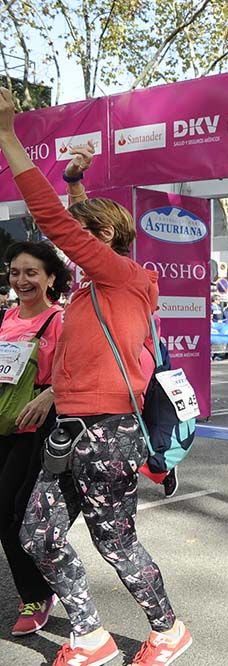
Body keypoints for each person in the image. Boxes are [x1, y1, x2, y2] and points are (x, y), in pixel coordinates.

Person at [0, 87, 192, 666]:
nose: (67, 248)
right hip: (72, 427)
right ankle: (90, 635)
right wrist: (76, 179)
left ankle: (168, 630)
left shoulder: (124, 278)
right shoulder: (92, 288)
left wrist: (8, 136)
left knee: (115, 541)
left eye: (84, 236)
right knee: (38, 532)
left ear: (105, 241)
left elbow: (66, 226)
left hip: (108, 431)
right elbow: (81, 222)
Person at [0, 242, 69, 638]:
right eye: (15, 272)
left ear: (50, 278)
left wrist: (50, 394)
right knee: (5, 513)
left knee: (14, 510)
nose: (21, 280)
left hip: (37, 427)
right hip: (3, 424)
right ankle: (40, 585)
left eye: (31, 273)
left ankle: (37, 593)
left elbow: (77, 365)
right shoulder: (6, 317)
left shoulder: (61, 320)